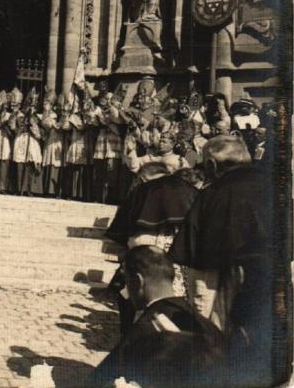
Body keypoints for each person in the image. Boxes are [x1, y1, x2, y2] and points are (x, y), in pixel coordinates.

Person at [168, 135, 274, 381]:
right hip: (272, 280)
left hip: (223, 283)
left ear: (212, 166)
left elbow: (199, 265)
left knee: (216, 343)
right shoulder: (276, 186)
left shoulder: (213, 193)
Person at [88, 246, 226, 387]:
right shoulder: (204, 323)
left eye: (127, 282)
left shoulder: (146, 328)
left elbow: (97, 381)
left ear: (137, 281)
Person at [12, 88, 43, 196]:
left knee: (31, 164)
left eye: (34, 105)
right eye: (31, 104)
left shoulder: (38, 116)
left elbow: (40, 132)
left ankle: (29, 188)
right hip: (22, 139)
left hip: (32, 140)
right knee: (20, 164)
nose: (32, 107)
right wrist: (25, 122)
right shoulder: (20, 114)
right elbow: (16, 127)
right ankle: (20, 188)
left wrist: (34, 125)